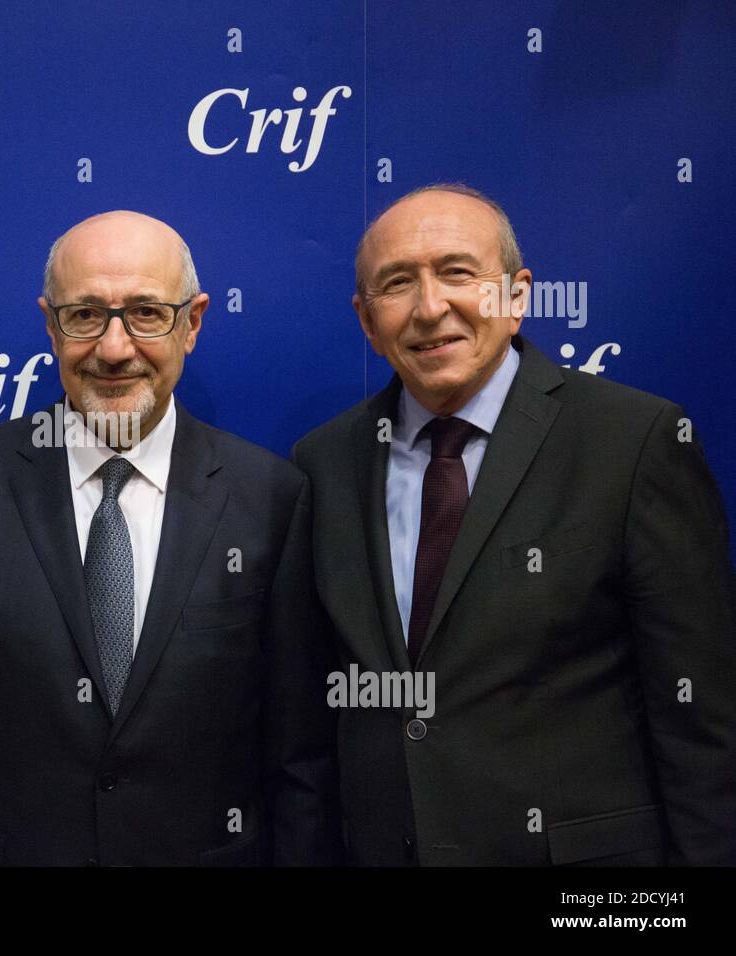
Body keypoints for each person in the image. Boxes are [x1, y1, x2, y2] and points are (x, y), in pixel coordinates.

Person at [292, 184, 736, 865]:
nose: (430, 306)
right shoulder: (322, 463)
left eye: (457, 272)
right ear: (366, 320)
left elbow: (700, 720)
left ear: (517, 294)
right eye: (397, 283)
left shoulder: (636, 441)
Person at [0, 210, 340, 866]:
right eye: (84, 315)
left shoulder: (271, 498)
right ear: (50, 325)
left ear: (192, 323)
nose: (113, 348)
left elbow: (299, 760)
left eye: (145, 313)